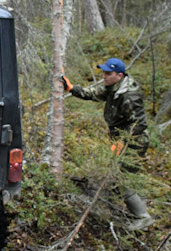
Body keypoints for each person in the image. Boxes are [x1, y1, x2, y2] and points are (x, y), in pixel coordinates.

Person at [64, 57, 153, 231]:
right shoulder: (112, 88)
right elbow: (92, 94)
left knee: (122, 179)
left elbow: (139, 125)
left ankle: (142, 217)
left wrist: (122, 142)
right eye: (103, 72)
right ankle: (137, 206)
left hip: (134, 140)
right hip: (122, 138)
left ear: (119, 75)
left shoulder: (129, 95)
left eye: (108, 73)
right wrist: (72, 88)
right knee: (129, 175)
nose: (104, 76)